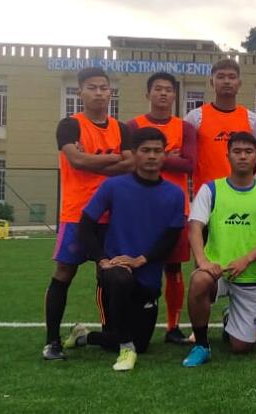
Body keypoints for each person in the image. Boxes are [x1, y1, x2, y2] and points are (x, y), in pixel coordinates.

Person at [64, 127, 187, 372]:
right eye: (145, 150)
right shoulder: (113, 186)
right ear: (135, 154)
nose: (151, 156)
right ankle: (126, 350)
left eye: (157, 151)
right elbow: (86, 224)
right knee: (121, 280)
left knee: (141, 344)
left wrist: (141, 259)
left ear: (165, 155)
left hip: (147, 278)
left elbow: (170, 238)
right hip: (116, 273)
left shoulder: (175, 194)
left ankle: (84, 337)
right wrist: (102, 260)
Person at [43, 66, 133, 361]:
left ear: (111, 92)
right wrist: (112, 159)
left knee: (107, 273)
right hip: (76, 214)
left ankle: (110, 334)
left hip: (112, 214)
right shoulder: (70, 125)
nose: (98, 93)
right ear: (80, 91)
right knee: (64, 272)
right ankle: (52, 341)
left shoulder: (121, 129)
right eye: (92, 87)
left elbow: (131, 164)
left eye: (103, 88)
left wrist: (92, 159)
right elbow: (76, 161)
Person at [181, 132, 256, 367]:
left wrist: (246, 259)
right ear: (227, 156)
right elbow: (195, 227)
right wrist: (203, 262)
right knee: (199, 280)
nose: (243, 156)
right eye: (237, 151)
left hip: (250, 275)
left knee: (241, 347)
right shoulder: (211, 189)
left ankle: (231, 317)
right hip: (217, 271)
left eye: (248, 152)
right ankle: (202, 345)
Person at [125, 72, 197, 346]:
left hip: (175, 207)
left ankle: (172, 327)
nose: (163, 93)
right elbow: (130, 161)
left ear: (175, 95)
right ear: (148, 94)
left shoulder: (184, 127)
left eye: (168, 89)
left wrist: (152, 157)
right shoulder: (133, 126)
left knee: (173, 268)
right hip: (139, 206)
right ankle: (133, 322)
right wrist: (170, 157)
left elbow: (189, 164)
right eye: (158, 89)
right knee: (135, 265)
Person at [184, 58, 256, 193]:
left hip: (242, 194)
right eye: (220, 77)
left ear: (239, 83)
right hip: (207, 194)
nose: (226, 81)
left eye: (232, 77)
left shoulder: (252, 120)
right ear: (211, 82)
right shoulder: (195, 117)